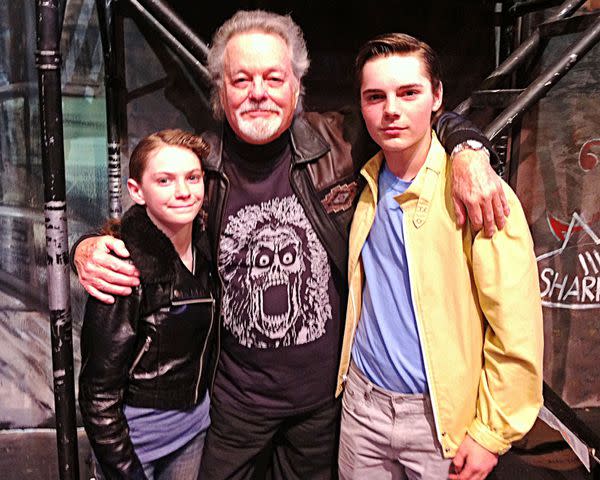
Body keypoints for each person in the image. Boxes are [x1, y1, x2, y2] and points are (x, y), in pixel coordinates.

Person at [73, 11, 511, 480]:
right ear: (221, 91)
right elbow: (149, 210)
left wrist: (469, 151)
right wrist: (87, 246)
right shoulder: (202, 163)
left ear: (296, 87)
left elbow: (417, 116)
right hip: (233, 404)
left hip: (324, 407)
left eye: (272, 78)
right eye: (241, 79)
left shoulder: (341, 142)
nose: (258, 92)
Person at [336, 33, 544, 480]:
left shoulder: (479, 193)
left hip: (437, 421)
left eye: (408, 92)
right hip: (362, 407)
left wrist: (491, 432)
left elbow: (516, 326)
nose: (392, 109)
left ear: (437, 97)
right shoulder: (365, 182)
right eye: (376, 96)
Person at [79, 129, 216, 480]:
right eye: (165, 180)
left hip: (192, 433)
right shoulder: (122, 266)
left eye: (192, 177)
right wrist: (124, 469)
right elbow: (98, 394)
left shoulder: (207, 247)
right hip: (134, 444)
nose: (183, 191)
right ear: (136, 191)